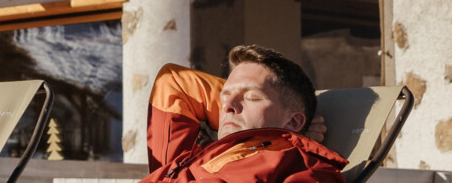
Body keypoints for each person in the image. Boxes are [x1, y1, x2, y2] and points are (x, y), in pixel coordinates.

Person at [139, 45, 344, 183]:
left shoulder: (308, 169)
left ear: (293, 120)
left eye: (252, 97)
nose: (227, 106)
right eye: (224, 96)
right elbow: (174, 82)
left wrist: (286, 133)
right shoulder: (198, 156)